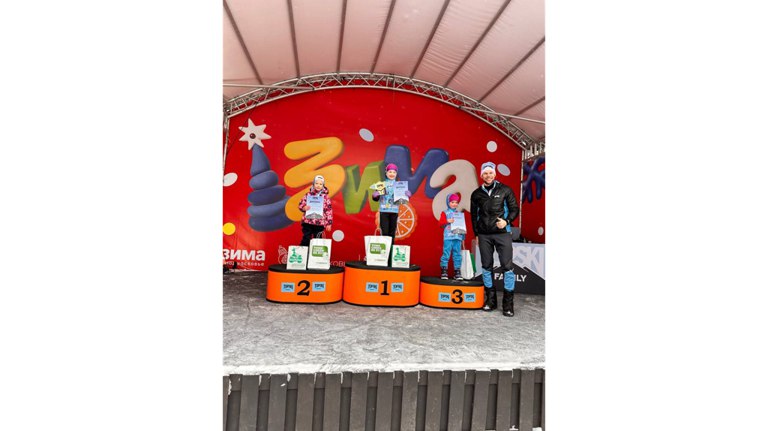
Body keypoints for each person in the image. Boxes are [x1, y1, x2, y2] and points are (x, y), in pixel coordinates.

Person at [470, 162, 519, 317]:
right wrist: (476, 234)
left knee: (507, 267)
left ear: (495, 174)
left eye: (490, 172)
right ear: (481, 175)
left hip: (503, 233)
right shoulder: (476, 194)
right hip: (484, 235)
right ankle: (490, 300)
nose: (488, 175)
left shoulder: (505, 190)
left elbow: (515, 209)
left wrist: (506, 221)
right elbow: (474, 216)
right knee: (486, 266)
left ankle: (508, 304)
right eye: (485, 173)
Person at [371, 163, 411, 243]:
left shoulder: (399, 185)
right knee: (385, 233)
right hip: (384, 212)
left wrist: (407, 195)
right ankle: (385, 250)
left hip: (394, 211)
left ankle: (391, 250)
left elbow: (402, 200)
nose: (392, 174)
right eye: (390, 172)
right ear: (386, 173)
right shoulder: (382, 184)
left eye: (394, 172)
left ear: (396, 174)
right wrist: (375, 195)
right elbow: (376, 199)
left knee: (392, 233)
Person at [298, 175, 333, 246]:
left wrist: (329, 223)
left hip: (319, 223)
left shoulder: (325, 197)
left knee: (317, 241)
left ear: (323, 185)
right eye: (316, 183)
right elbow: (301, 204)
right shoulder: (308, 195)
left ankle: (315, 253)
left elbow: (328, 211)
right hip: (308, 222)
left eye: (320, 184)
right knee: (306, 238)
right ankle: (303, 251)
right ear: (313, 184)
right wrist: (304, 208)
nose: (318, 185)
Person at [438, 193, 465, 280]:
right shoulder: (445, 212)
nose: (454, 204)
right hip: (448, 237)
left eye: (456, 202)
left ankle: (457, 272)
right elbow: (440, 223)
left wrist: (463, 237)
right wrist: (447, 221)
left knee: (457, 254)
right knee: (446, 253)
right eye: (452, 202)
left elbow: (462, 226)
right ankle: (444, 271)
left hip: (458, 237)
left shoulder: (459, 214)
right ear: (448, 202)